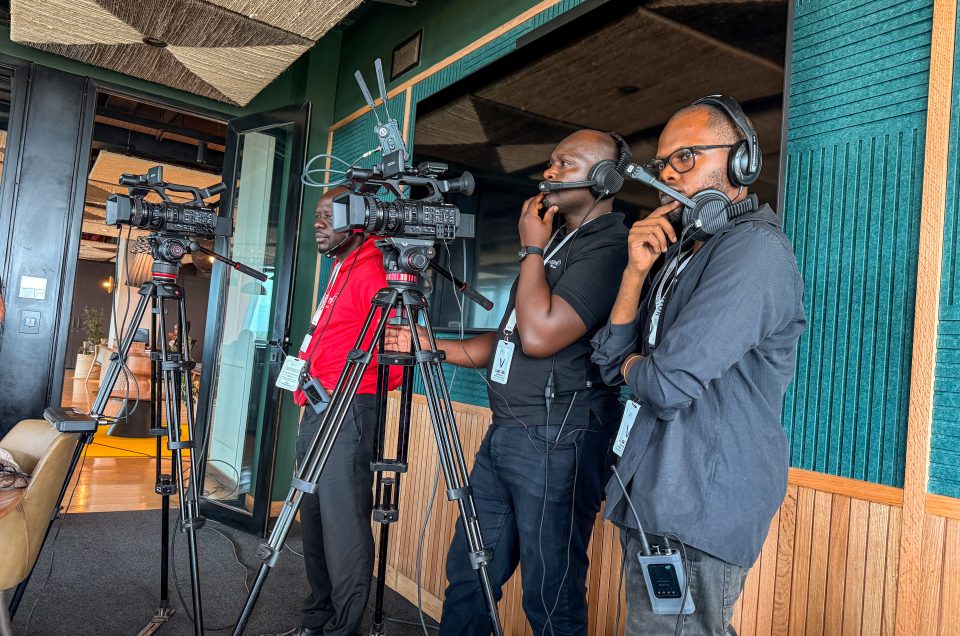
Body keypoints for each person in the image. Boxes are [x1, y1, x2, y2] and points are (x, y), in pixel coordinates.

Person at [387, 130, 630, 635]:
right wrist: (423, 345)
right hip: (507, 435)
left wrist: (530, 249)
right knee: (472, 572)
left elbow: (541, 336)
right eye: (551, 161)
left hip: (559, 441)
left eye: (567, 163)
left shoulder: (610, 248)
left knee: (550, 594)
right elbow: (507, 342)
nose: (551, 171)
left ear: (606, 179)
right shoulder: (558, 246)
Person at [590, 96, 806, 634]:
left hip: (697, 502)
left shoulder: (755, 251)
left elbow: (661, 386)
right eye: (664, 164)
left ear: (741, 163)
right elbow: (609, 358)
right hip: (653, 489)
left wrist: (634, 368)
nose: (669, 176)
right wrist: (636, 273)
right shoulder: (686, 250)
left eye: (685, 158)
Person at [267, 186, 402, 636]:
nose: (317, 225)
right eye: (317, 216)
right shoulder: (343, 266)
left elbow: (396, 358)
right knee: (316, 517)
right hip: (319, 404)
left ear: (358, 217)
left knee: (344, 524)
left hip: (350, 408)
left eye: (328, 215)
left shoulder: (378, 268)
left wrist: (346, 387)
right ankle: (317, 617)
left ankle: (344, 628)